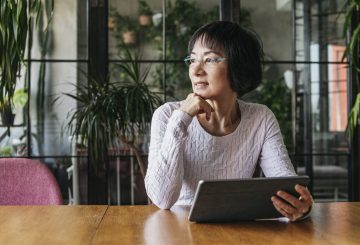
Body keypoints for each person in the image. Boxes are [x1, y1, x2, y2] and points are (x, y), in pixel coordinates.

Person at [145, 21, 313, 221]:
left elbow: (286, 186)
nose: (196, 70)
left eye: (210, 59)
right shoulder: (167, 115)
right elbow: (162, 199)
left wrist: (299, 206)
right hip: (178, 232)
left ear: (238, 66)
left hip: (239, 232)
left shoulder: (260, 118)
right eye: (192, 60)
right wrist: (181, 119)